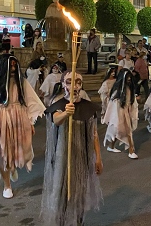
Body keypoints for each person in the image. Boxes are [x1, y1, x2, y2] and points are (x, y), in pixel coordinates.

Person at [0, 54, 46, 198]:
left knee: (18, 149)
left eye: (15, 65)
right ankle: (7, 184)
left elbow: (30, 102)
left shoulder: (22, 83)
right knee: (2, 152)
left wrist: (30, 122)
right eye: (10, 65)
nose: (13, 68)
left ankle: (11, 166)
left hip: (19, 120)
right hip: (1, 121)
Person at [41, 72, 103, 226]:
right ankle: (61, 222)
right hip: (63, 157)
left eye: (78, 83)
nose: (74, 86)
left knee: (80, 192)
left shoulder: (88, 108)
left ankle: (79, 222)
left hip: (82, 155)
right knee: (62, 192)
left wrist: (98, 158)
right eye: (69, 82)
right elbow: (56, 120)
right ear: (63, 84)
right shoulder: (59, 104)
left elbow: (94, 133)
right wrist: (65, 114)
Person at [103, 69, 139, 159]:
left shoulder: (128, 88)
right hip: (119, 114)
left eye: (130, 78)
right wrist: (118, 117)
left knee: (123, 131)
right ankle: (131, 150)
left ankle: (112, 146)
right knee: (124, 132)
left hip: (126, 112)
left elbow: (129, 102)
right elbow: (114, 106)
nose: (129, 79)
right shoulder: (117, 91)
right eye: (127, 78)